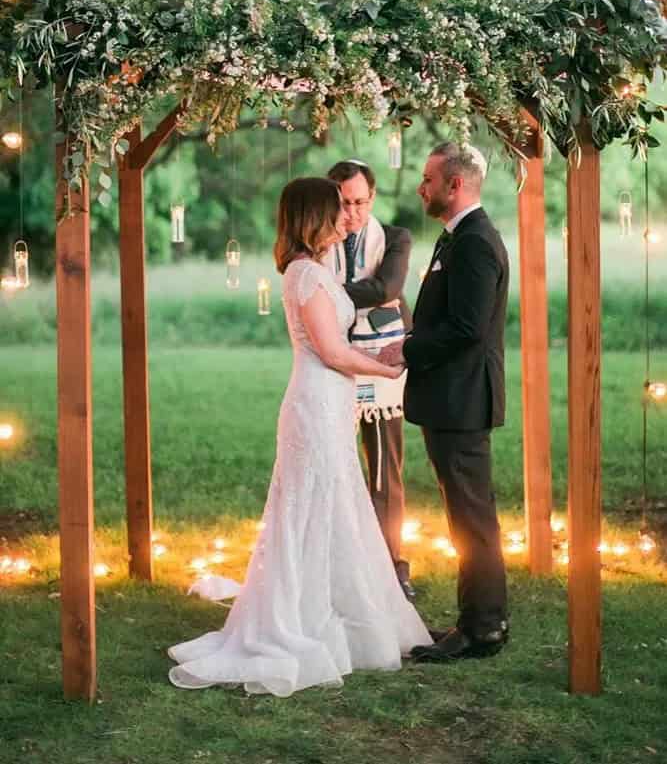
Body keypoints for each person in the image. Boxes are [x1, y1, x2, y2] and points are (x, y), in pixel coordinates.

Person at [168, 178, 431, 695]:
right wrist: (383, 370)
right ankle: (302, 617)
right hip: (315, 401)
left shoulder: (317, 271)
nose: (345, 219)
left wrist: (373, 360)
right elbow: (331, 353)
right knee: (310, 506)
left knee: (337, 505)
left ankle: (339, 607)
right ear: (314, 218)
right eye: (336, 211)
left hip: (332, 400)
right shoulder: (305, 274)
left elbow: (338, 347)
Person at [380, 142, 509, 663]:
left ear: (455, 185)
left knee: (472, 519)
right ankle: (477, 620)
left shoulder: (475, 242)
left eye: (429, 179)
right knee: (467, 516)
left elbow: (466, 328)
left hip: (462, 402)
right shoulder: (457, 238)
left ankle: (482, 628)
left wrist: (407, 347)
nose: (421, 187)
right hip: (449, 400)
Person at [324, 159, 415, 600]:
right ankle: (342, 566)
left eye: (361, 202)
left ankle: (391, 566)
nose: (353, 213)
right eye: (344, 203)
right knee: (333, 467)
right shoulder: (319, 239)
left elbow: (387, 289)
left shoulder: (395, 238)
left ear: (372, 198)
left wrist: (323, 290)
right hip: (329, 363)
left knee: (384, 470)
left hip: (384, 362)